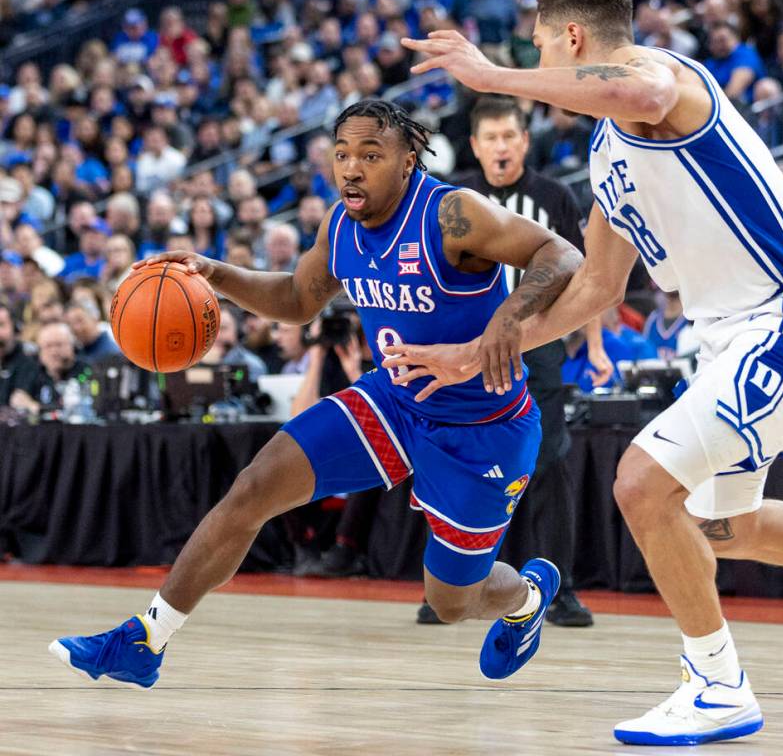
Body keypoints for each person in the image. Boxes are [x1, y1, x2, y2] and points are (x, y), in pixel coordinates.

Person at [396, 0, 783, 745]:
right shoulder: (604, 156)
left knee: (639, 485)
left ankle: (717, 684)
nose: (532, 58)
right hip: (730, 337)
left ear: (572, 38)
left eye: (536, 46)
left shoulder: (661, 75)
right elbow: (595, 287)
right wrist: (475, 351)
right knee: (724, 528)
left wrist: (490, 76)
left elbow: (645, 95)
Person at [50, 100, 585, 691]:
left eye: (370, 156)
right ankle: (145, 639)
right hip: (396, 399)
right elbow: (297, 301)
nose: (351, 169)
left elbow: (561, 254)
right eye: (342, 155)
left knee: (452, 602)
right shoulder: (340, 226)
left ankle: (528, 596)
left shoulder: (451, 214)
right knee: (253, 487)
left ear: (408, 161)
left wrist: (508, 320)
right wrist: (216, 275)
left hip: (483, 425)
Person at [427, 93, 608, 627]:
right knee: (454, 470)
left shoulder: (554, 196)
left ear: (525, 142)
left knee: (549, 468)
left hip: (539, 351)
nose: (501, 147)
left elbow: (589, 279)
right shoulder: (452, 201)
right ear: (476, 146)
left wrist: (593, 346)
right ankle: (451, 586)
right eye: (491, 139)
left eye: (510, 137)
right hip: (463, 353)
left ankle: (559, 588)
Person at [65, 298, 120, 363]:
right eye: (70, 324)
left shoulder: (111, 352)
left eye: (79, 320)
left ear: (94, 318)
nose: (76, 328)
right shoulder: (76, 354)